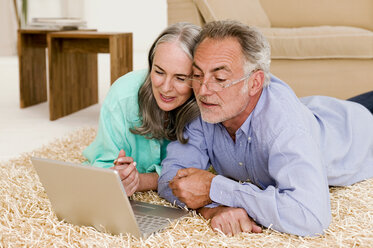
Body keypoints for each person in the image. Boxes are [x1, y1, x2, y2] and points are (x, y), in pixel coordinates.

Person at [158, 20, 373, 237]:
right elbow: (171, 178)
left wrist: (216, 187)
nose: (203, 90)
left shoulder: (284, 127)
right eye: (197, 74)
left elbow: (311, 217)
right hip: (317, 109)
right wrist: (213, 209)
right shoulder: (207, 107)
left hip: (359, 129)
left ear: (254, 83)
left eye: (220, 78)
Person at [83, 22, 201, 196]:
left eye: (180, 78)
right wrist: (117, 175)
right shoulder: (122, 96)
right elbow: (102, 164)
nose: (166, 87)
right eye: (159, 72)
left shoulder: (205, 102)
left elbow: (194, 174)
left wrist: (141, 181)